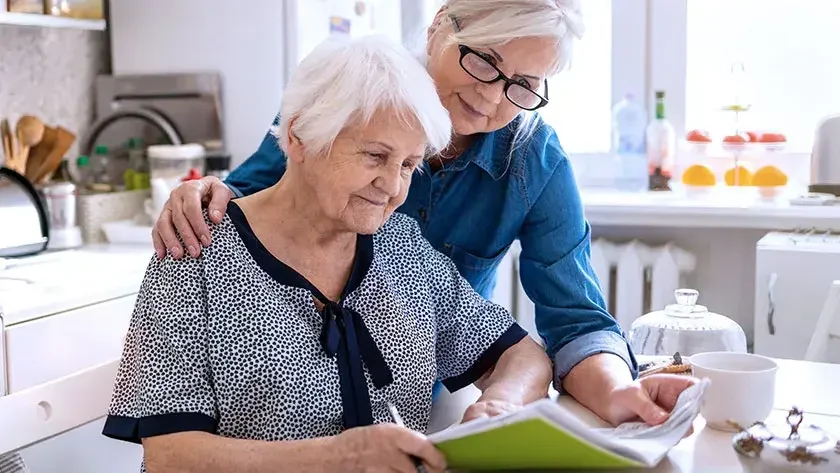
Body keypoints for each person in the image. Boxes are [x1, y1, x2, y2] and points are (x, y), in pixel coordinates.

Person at [152, 0, 697, 430]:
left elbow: (574, 320)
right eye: (485, 60)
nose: (492, 97)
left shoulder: (533, 161)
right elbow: (241, 207)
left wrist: (619, 392)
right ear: (440, 27)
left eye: (524, 86)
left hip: (416, 397)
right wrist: (199, 194)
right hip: (284, 401)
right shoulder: (348, 98)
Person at [103, 35, 551, 473]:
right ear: (299, 136)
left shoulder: (403, 247)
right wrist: (339, 459)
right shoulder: (196, 252)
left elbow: (522, 356)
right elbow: (171, 456)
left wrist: (499, 404)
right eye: (376, 156)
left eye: (410, 165)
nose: (394, 187)